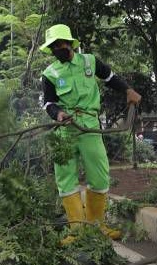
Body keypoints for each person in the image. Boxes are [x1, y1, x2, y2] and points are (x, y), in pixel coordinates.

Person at [40, 24, 141, 243]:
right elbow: (48, 103)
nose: (58, 48)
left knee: (99, 176)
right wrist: (58, 115)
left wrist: (128, 90)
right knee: (65, 178)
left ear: (70, 43)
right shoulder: (49, 73)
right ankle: (77, 231)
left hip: (89, 127)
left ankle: (97, 226)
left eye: (61, 44)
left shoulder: (89, 62)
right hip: (65, 131)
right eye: (54, 46)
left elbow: (110, 77)